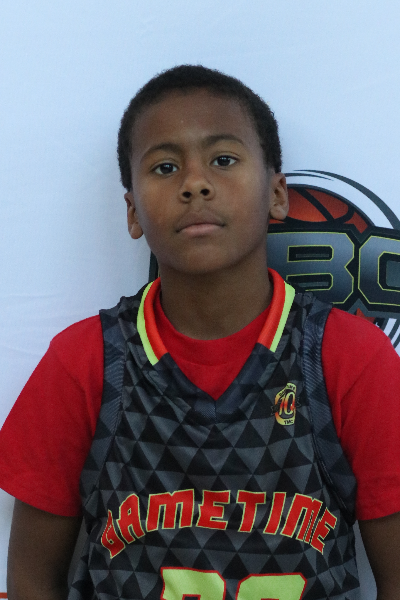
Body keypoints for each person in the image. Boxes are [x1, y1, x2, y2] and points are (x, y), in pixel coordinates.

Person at [2, 65, 400, 600]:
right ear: (132, 211)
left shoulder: (348, 357)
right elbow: (30, 579)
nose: (195, 183)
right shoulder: (87, 360)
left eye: (223, 159)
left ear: (276, 194)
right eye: (165, 167)